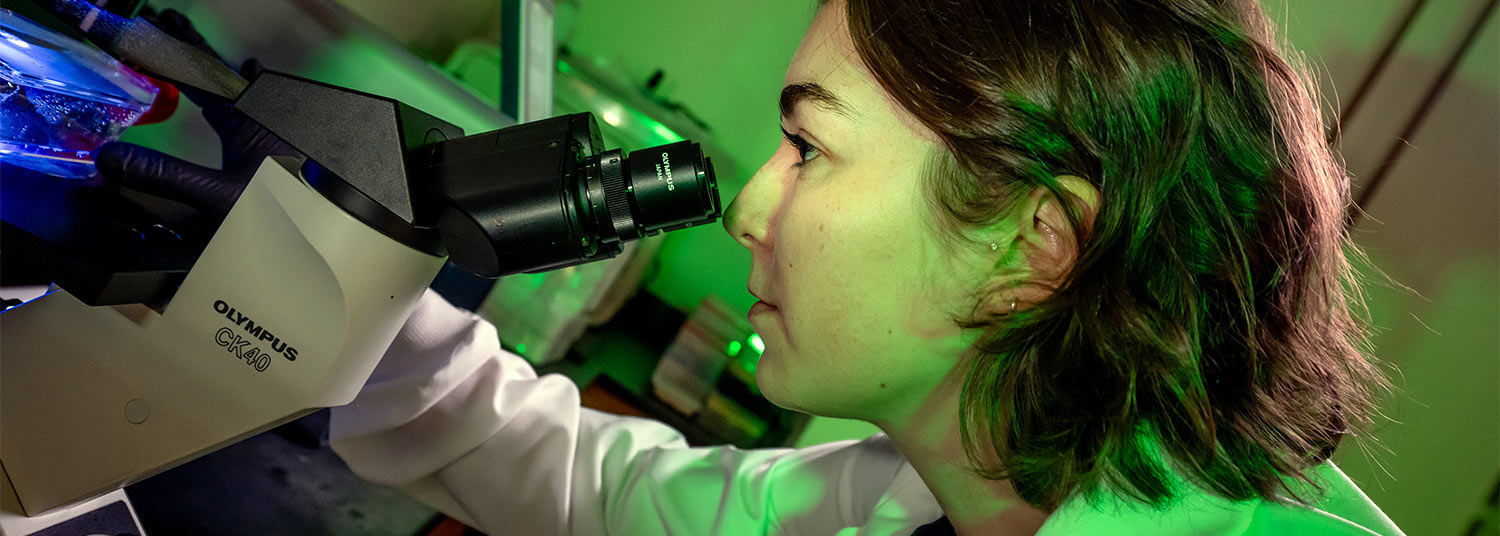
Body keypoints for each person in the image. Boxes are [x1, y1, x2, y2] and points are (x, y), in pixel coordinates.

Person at [100, 1, 1404, 534]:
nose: (749, 207)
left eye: (808, 148)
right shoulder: (929, 491)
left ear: (1030, 246)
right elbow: (600, 491)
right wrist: (348, 291)